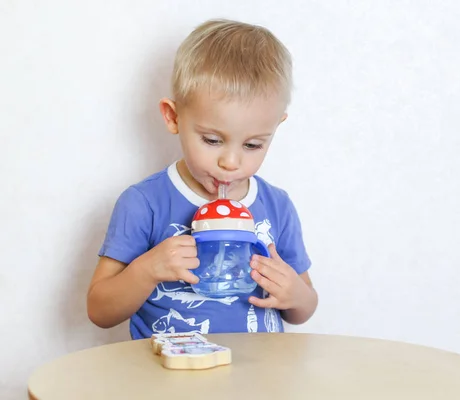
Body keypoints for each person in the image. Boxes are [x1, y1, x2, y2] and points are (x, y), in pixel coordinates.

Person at [86, 19, 318, 339]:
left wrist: (296, 294)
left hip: (257, 381)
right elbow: (99, 310)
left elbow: (303, 310)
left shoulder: (277, 205)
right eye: (212, 140)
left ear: (277, 127)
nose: (230, 162)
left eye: (253, 145)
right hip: (169, 380)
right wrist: (148, 269)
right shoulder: (144, 202)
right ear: (174, 117)